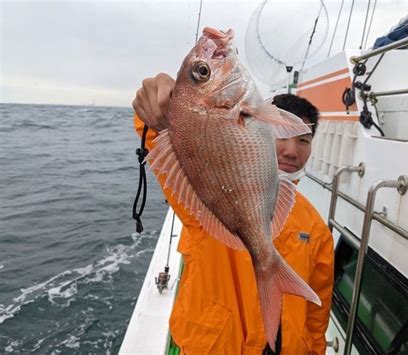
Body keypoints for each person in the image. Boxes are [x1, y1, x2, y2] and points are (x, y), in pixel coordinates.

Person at [133, 73, 334, 355]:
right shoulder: (209, 193)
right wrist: (163, 107)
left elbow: (317, 313)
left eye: (304, 140)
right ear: (262, 128)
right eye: (283, 135)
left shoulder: (315, 227)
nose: (292, 151)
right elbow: (166, 149)